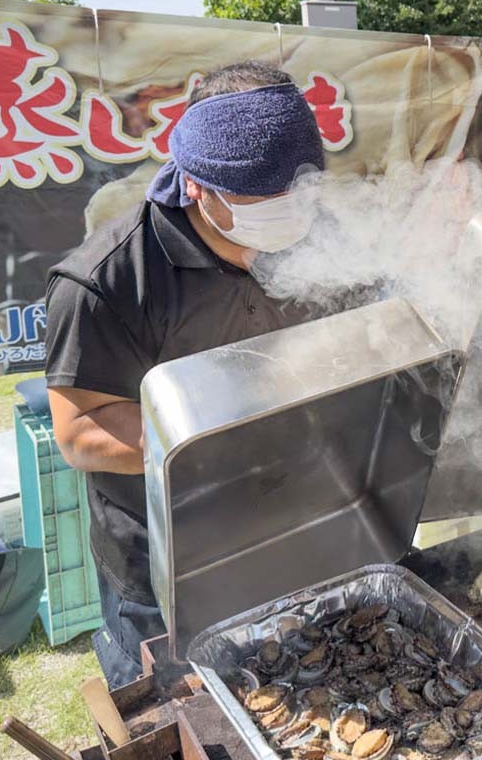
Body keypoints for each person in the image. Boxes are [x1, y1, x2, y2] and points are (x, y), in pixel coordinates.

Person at [45, 61, 354, 687]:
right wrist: (230, 428)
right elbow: (80, 431)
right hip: (162, 559)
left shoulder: (319, 235)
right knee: (181, 708)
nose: (282, 212)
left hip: (282, 525)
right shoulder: (104, 279)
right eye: (253, 196)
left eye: (293, 191)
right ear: (195, 185)